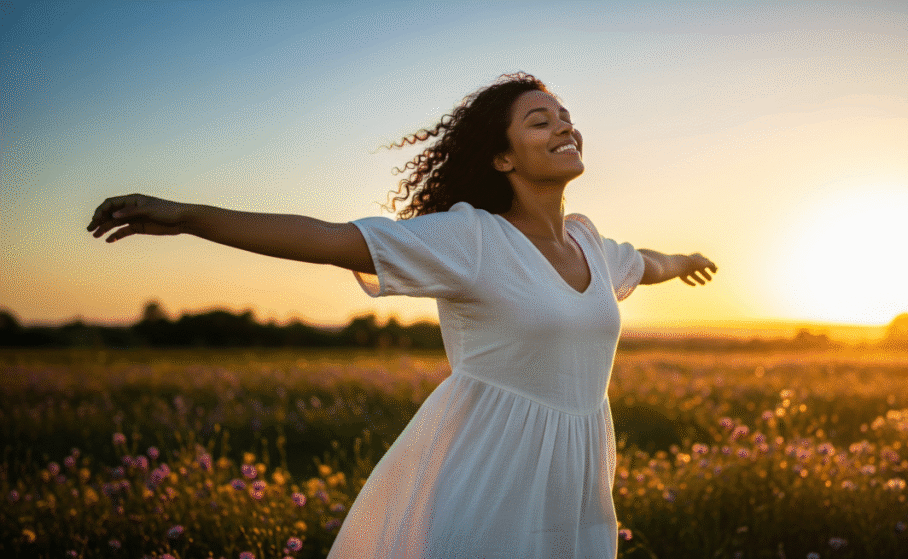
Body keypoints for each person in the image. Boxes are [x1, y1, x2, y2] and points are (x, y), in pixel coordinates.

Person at [87, 72, 717, 558]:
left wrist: (685, 257)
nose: (564, 128)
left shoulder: (590, 244)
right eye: (539, 121)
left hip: (577, 478)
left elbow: (646, 262)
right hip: (490, 474)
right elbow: (330, 239)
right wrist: (190, 217)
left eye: (567, 118)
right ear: (503, 159)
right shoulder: (472, 240)